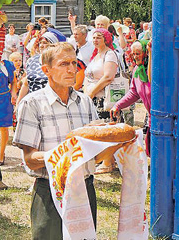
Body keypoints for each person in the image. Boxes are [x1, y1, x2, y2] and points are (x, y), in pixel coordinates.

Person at [13, 43, 125, 239]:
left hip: (85, 189)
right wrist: (67, 152)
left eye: (74, 63)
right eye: (64, 64)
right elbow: (30, 159)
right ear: (46, 70)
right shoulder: (32, 104)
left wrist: (116, 142)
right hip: (49, 191)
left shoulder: (85, 103)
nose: (72, 69)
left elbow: (96, 157)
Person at [111, 40, 151, 155]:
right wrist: (117, 105)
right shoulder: (136, 71)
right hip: (150, 118)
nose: (135, 57)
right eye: (133, 54)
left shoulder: (155, 70)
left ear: (146, 53)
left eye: (138, 53)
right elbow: (134, 93)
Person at [83, 29, 119, 119]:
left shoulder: (109, 54)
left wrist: (91, 93)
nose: (95, 40)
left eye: (98, 38)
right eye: (94, 38)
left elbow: (108, 77)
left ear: (106, 39)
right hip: (92, 99)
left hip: (104, 100)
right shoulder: (96, 55)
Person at [17, 31, 59, 104]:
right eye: (40, 43)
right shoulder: (32, 60)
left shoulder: (58, 62)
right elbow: (26, 84)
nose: (41, 45)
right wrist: (18, 103)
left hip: (52, 103)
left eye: (45, 43)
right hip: (33, 103)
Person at [0, 55, 16, 165]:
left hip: (4, 98)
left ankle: (1, 154)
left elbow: (14, 81)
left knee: (4, 128)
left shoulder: (8, 65)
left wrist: (13, 94)